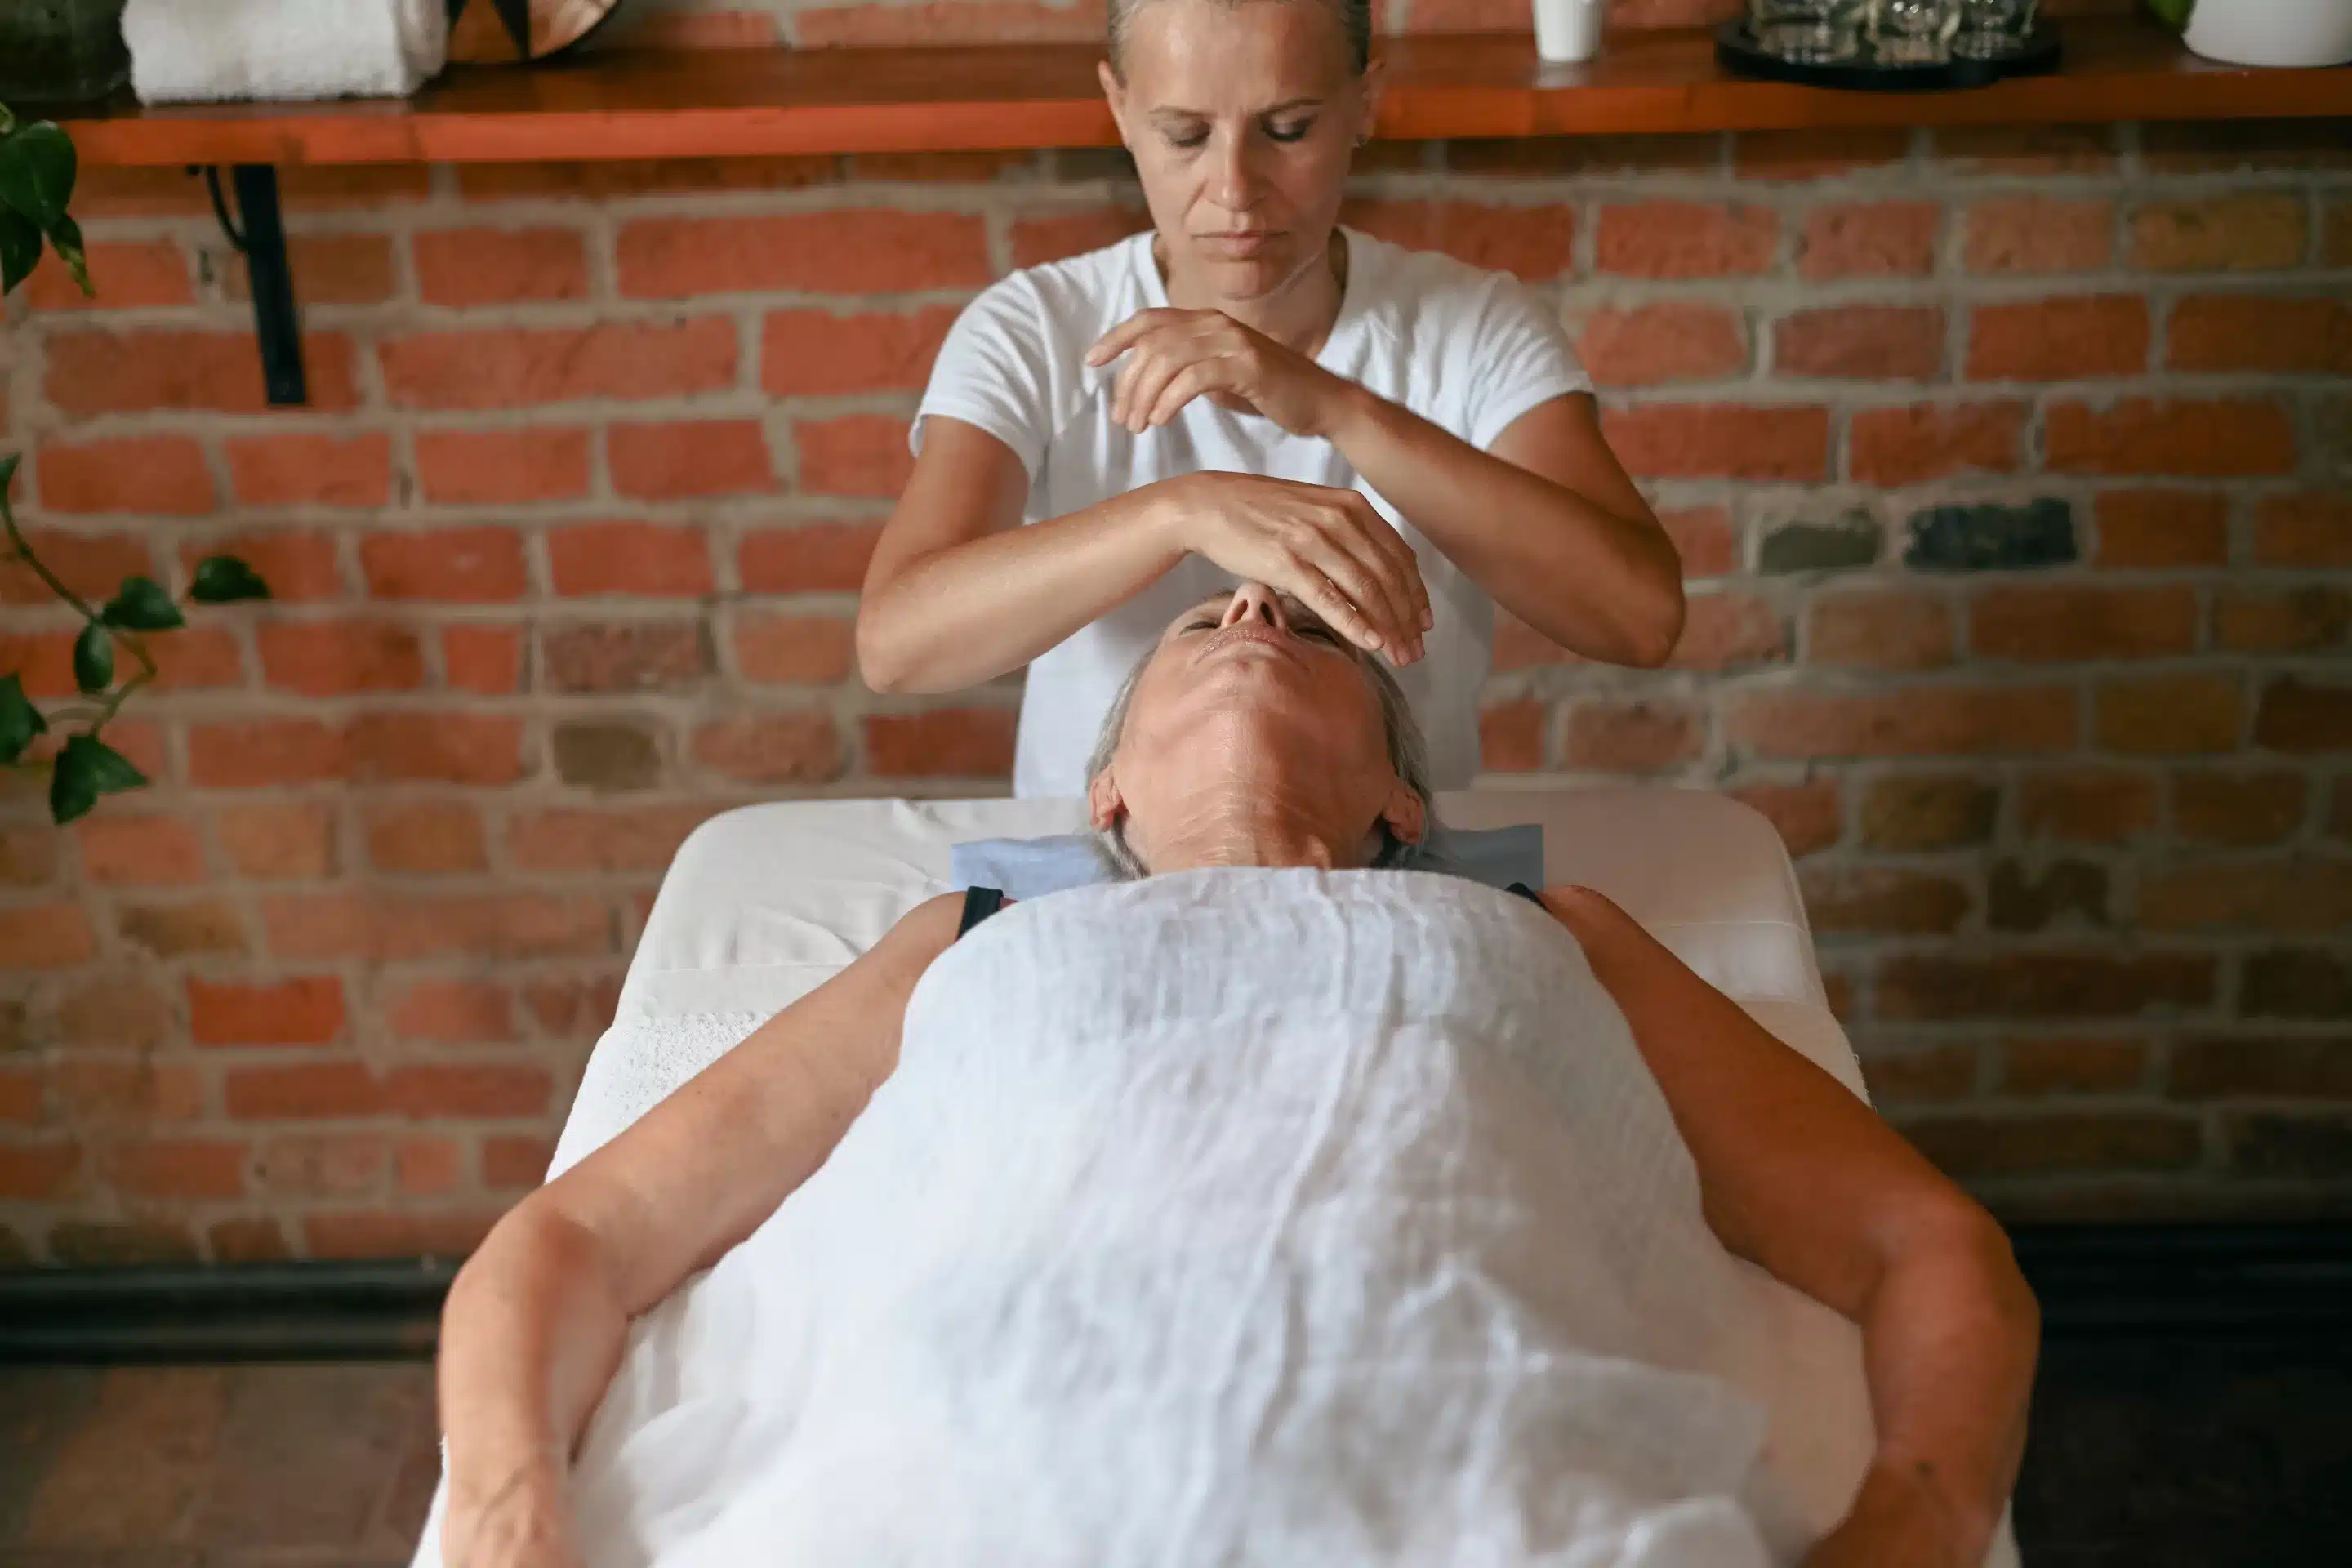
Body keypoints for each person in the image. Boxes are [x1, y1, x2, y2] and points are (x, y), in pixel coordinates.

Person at [434, 582, 2037, 1568]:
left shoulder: (1544, 927)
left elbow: (1922, 1245)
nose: (1256, 610)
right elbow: (574, 1240)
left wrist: (1923, 1515)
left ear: (1404, 804)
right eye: (1201, 625)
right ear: (1108, 795)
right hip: (977, 1450)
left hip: (1481, 1453)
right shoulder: (977, 937)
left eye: (1308, 628)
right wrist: (509, 1520)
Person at [856, 0, 1685, 799]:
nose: (1235, 190)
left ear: (1365, 103)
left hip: (1387, 856)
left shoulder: (1477, 327)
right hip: (1094, 859)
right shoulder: (1036, 327)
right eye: (1185, 135)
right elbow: (896, 644)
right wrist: (1183, 512)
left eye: (1287, 130)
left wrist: (1336, 408)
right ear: (1120, 108)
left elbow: (1640, 619)